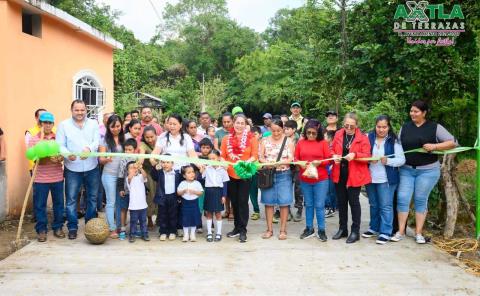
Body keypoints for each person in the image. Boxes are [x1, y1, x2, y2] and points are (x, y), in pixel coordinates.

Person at [392, 100, 456, 244]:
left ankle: (419, 233)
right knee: (402, 198)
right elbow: (399, 146)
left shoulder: (434, 127)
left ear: (424, 113)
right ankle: (400, 231)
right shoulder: (405, 127)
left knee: (421, 199)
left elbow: (453, 142)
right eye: (411, 111)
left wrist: (435, 146)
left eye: (416, 111)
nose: (412, 114)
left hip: (427, 171)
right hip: (406, 170)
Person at [57, 99, 100, 240]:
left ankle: (90, 225)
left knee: (92, 198)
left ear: (86, 110)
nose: (80, 112)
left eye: (82, 110)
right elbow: (60, 145)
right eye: (77, 110)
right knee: (71, 199)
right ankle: (72, 227)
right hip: (72, 168)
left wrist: (89, 148)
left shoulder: (93, 124)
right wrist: (67, 154)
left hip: (92, 166)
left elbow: (96, 141)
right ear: (72, 110)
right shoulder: (63, 125)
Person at [363, 115, 405, 245]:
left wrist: (388, 161)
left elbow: (401, 160)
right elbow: (363, 154)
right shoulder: (368, 137)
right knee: (373, 204)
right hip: (370, 177)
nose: (381, 130)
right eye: (379, 127)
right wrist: (370, 158)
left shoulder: (394, 141)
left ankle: (385, 232)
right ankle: (374, 228)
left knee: (386, 206)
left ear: (388, 127)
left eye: (384, 127)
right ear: (375, 126)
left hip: (386, 179)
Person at [331, 112, 371, 244]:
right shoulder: (338, 134)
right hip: (340, 172)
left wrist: (355, 155)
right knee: (341, 202)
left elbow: (367, 156)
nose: (348, 128)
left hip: (355, 173)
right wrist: (334, 156)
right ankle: (343, 229)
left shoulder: (363, 138)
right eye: (346, 125)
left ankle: (355, 231)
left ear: (357, 125)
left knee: (354, 202)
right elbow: (331, 149)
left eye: (351, 126)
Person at [221, 114, 259, 243]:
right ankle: (236, 227)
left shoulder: (252, 138)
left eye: (242, 123)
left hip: (245, 174)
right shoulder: (226, 139)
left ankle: (243, 230)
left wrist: (245, 163)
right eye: (237, 123)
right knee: (234, 202)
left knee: (243, 202)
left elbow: (255, 155)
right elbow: (223, 156)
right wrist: (224, 163)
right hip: (230, 174)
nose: (239, 125)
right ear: (233, 123)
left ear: (246, 125)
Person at [28, 112, 65, 242]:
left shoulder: (58, 138)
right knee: (39, 205)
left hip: (57, 177)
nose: (47, 125)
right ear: (40, 124)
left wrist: (59, 158)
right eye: (45, 123)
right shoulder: (34, 139)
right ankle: (41, 230)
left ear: (53, 124)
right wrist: (44, 156)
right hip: (40, 179)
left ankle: (58, 227)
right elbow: (33, 158)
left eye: (50, 123)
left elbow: (62, 155)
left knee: (59, 204)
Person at [294, 119, 332, 241]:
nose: (311, 135)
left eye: (313, 133)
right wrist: (300, 164)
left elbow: (329, 160)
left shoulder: (323, 143)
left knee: (320, 205)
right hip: (305, 178)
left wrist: (320, 162)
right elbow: (295, 158)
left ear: (318, 132)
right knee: (309, 204)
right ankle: (309, 228)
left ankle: (321, 230)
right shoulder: (301, 143)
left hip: (321, 179)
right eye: (308, 132)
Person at [258, 120, 295, 240]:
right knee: (268, 202)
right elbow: (261, 157)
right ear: (270, 130)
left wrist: (281, 162)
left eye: (279, 130)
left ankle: (283, 230)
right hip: (268, 174)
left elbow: (291, 158)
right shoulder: (264, 141)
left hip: (284, 174)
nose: (276, 133)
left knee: (284, 202)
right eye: (273, 130)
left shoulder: (288, 141)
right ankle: (269, 230)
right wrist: (267, 163)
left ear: (283, 129)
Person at [98, 115, 124, 238]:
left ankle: (119, 226)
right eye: (112, 126)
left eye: (118, 126)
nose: (115, 129)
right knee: (111, 202)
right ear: (108, 127)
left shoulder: (126, 138)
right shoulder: (104, 140)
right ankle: (112, 228)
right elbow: (100, 159)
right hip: (109, 175)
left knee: (120, 202)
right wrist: (106, 159)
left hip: (122, 176)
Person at [151, 156, 181, 241]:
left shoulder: (177, 173)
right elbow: (153, 175)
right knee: (162, 214)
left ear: (172, 164)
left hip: (173, 196)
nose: (165, 164)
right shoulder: (159, 173)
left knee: (173, 214)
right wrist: (154, 167)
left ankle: (172, 231)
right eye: (163, 162)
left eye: (168, 162)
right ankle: (163, 231)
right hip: (162, 197)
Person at [202, 149, 229, 242]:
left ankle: (218, 233)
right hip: (209, 191)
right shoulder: (207, 168)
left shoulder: (222, 170)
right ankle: (209, 233)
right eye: (210, 159)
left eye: (214, 158)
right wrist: (202, 170)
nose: (212, 160)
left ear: (218, 158)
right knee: (208, 213)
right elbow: (201, 179)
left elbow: (225, 183)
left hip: (218, 191)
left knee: (218, 213)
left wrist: (224, 195)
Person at [117, 138, 138, 240]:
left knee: (135, 210)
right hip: (125, 190)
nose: (127, 152)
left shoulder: (138, 159)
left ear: (135, 149)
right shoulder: (122, 160)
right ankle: (122, 228)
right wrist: (121, 189)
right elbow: (120, 175)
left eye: (130, 149)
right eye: (125, 149)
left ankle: (134, 229)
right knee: (123, 209)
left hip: (136, 190)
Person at [139, 126, 159, 230]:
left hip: (160, 171)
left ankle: (159, 218)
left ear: (156, 135)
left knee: (161, 194)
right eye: (147, 137)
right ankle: (149, 218)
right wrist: (140, 161)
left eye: (152, 137)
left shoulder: (160, 142)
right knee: (150, 195)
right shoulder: (142, 144)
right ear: (144, 137)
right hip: (149, 173)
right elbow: (141, 154)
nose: (150, 139)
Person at [177, 165, 204, 242]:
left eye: (193, 172)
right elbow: (178, 193)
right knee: (185, 219)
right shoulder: (182, 183)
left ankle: (192, 234)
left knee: (194, 218)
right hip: (185, 203)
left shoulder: (197, 183)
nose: (192, 174)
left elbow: (201, 192)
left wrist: (194, 191)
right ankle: (186, 234)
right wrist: (183, 191)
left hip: (194, 203)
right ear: (184, 175)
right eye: (189, 173)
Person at [125, 161, 150, 243]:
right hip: (133, 206)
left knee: (143, 221)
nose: (134, 169)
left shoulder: (140, 177)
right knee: (133, 221)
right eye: (131, 168)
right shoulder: (128, 178)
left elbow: (145, 176)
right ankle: (132, 234)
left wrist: (140, 168)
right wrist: (133, 170)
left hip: (143, 205)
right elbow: (129, 178)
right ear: (127, 170)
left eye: (135, 167)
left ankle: (145, 234)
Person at [284, 120, 303, 222]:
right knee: (286, 189)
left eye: (287, 129)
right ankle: (288, 211)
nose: (285, 131)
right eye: (285, 128)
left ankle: (299, 210)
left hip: (297, 167)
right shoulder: (283, 139)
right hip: (286, 167)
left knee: (298, 189)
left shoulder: (300, 139)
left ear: (294, 129)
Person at [249, 126, 262, 220]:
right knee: (253, 192)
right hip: (253, 172)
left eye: (255, 135)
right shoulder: (248, 145)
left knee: (267, 193)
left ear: (260, 135)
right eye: (251, 135)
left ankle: (272, 212)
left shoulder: (265, 144)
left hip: (264, 172)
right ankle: (256, 211)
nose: (253, 137)